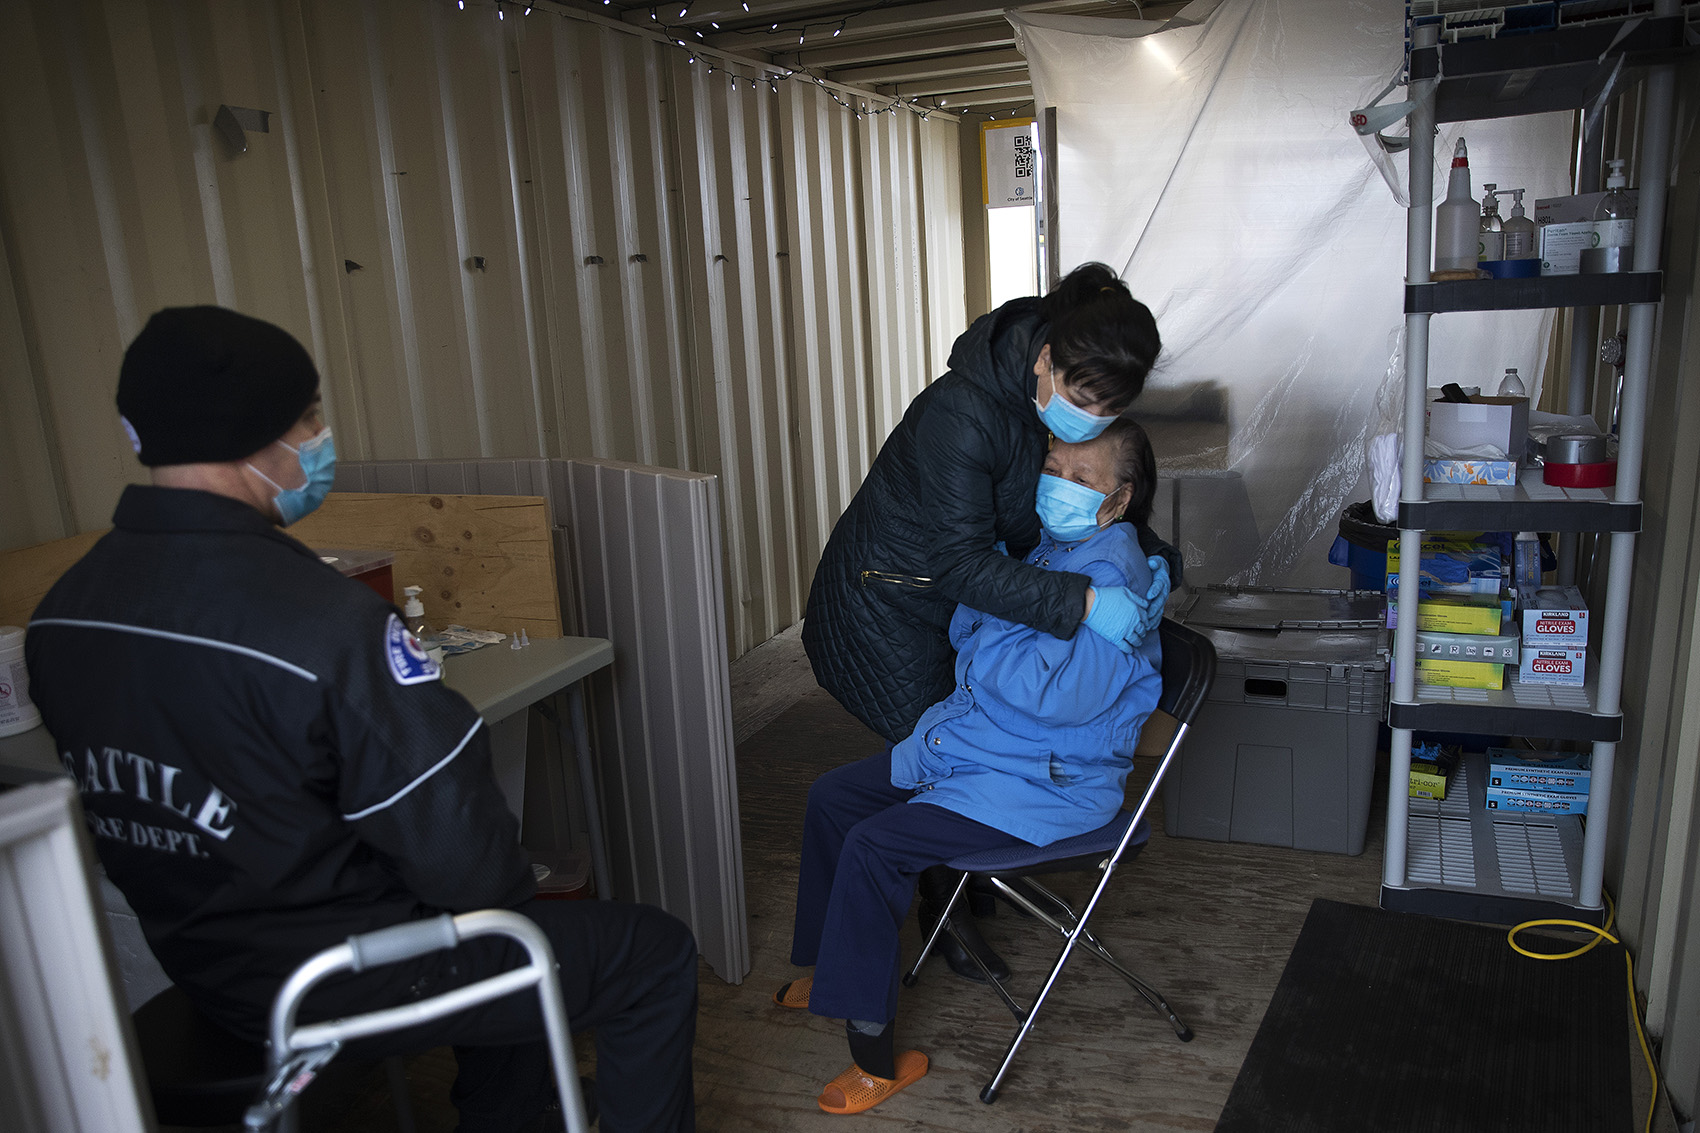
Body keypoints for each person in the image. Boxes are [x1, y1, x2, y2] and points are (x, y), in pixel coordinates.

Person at [25, 306, 697, 1133]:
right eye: (308, 416)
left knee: (497, 935)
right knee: (642, 951)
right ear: (255, 438)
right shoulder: (319, 623)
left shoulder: (62, 615)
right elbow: (472, 863)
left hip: (199, 963)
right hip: (335, 975)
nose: (318, 435)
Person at [802, 262, 1176, 983]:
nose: (1085, 422)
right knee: (922, 763)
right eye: (1076, 398)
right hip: (895, 596)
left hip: (1002, 680)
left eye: (1106, 410)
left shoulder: (1074, 446)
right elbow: (966, 566)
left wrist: (1161, 565)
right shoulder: (964, 414)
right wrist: (1087, 604)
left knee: (925, 775)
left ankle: (937, 925)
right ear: (1044, 358)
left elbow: (1100, 513)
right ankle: (924, 927)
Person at [776, 419, 1164, 1115]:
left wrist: (992, 629)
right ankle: (830, 965)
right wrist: (996, 622)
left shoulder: (1118, 587)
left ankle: (872, 1058)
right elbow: (970, 625)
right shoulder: (1051, 549)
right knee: (833, 797)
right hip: (980, 748)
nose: (1058, 485)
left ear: (1118, 500)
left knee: (875, 846)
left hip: (1045, 781)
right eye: (1053, 465)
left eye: (1082, 479)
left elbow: (1054, 694)